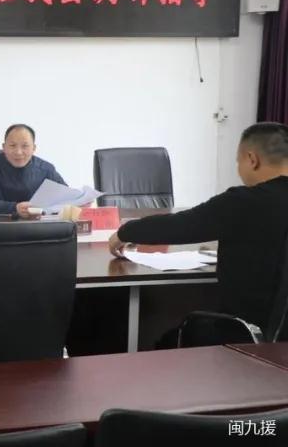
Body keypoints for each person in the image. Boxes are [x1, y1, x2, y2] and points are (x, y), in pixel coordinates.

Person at [108, 122, 288, 335]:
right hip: (278, 338)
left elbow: (180, 226)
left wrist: (125, 232)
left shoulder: (244, 202)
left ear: (252, 159)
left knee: (167, 338)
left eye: (238, 162)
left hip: (246, 335)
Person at [0, 124, 66, 219]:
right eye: (12, 145)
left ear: (33, 148)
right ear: (4, 147)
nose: (18, 152)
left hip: (37, 224)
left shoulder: (46, 169)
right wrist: (14, 208)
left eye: (25, 146)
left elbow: (66, 197)